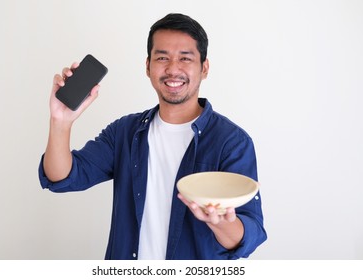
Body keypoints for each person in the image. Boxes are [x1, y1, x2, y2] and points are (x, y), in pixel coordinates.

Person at [38, 13, 267, 260]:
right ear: (147, 66)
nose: (172, 69)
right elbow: (62, 176)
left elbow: (249, 233)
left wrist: (219, 222)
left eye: (185, 58)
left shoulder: (232, 142)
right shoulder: (124, 132)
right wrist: (60, 122)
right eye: (162, 58)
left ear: (205, 68)